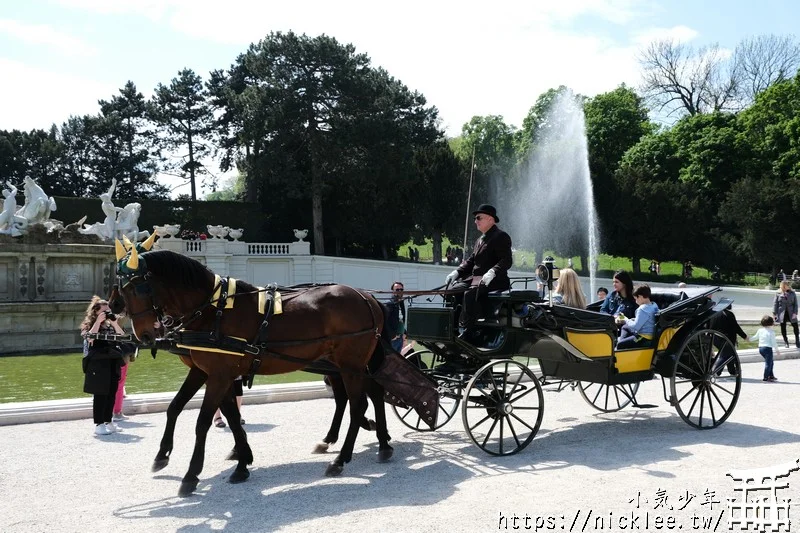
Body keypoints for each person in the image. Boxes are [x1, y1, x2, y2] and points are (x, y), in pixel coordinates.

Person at [445, 204, 512, 341]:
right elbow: (471, 261)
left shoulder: (501, 236)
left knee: (469, 294)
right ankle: (453, 328)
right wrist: (457, 272)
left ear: (490, 219)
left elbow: (507, 260)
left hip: (495, 280)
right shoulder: (480, 240)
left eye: (478, 218)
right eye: (475, 218)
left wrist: (493, 271)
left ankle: (469, 332)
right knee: (452, 291)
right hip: (476, 279)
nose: (475, 221)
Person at [81, 296, 126, 436]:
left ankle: (108, 421)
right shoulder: (89, 325)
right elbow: (89, 337)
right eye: (104, 311)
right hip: (98, 364)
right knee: (100, 393)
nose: (107, 314)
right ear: (96, 312)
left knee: (112, 392)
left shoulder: (109, 325)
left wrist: (114, 323)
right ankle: (99, 424)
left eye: (108, 311)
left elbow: (122, 336)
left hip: (112, 361)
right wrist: (98, 322)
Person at [616, 285, 659, 349]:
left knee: (620, 344)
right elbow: (647, 319)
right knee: (625, 327)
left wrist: (625, 319)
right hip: (650, 333)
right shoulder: (653, 305)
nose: (636, 302)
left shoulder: (642, 309)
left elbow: (635, 327)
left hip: (644, 337)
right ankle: (622, 340)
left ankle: (621, 346)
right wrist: (633, 319)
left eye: (636, 299)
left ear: (640, 297)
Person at [709, 306, 747, 375]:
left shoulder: (714, 314)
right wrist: (744, 336)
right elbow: (736, 327)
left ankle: (732, 371)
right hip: (726, 339)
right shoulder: (729, 314)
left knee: (729, 354)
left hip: (715, 338)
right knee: (725, 356)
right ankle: (716, 372)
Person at [749, 316, 780, 382]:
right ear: (771, 323)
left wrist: (749, 339)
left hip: (761, 349)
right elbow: (774, 342)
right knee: (768, 364)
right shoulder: (771, 332)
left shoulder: (760, 330)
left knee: (771, 362)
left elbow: (755, 337)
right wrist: (777, 350)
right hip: (768, 349)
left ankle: (771, 376)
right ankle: (765, 377)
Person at [772, 280, 799, 349]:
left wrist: (795, 313)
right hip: (782, 313)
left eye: (788, 285)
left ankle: (797, 341)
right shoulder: (778, 293)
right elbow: (775, 304)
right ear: (783, 286)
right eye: (786, 285)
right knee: (783, 327)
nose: (788, 286)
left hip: (791, 312)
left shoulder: (792, 293)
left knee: (795, 327)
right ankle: (786, 342)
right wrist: (774, 314)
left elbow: (795, 304)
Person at [385, 281, 406, 352]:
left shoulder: (401, 302)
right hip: (393, 339)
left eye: (401, 289)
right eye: (397, 290)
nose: (400, 291)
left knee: (397, 360)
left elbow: (402, 319)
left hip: (400, 338)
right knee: (390, 360)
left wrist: (404, 333)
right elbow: (385, 321)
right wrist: (392, 336)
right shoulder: (389, 303)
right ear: (393, 291)